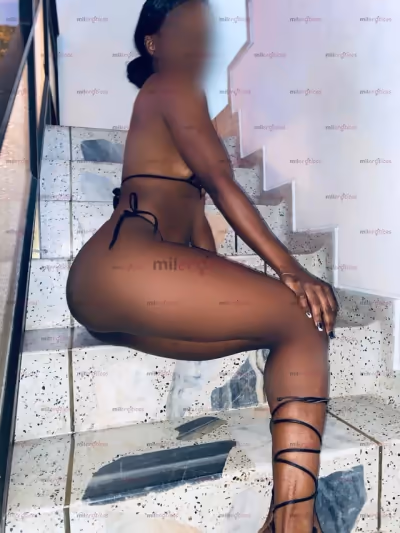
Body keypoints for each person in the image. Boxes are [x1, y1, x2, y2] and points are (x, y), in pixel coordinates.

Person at [66, 1, 338, 531]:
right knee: (304, 313)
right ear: (153, 43)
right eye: (185, 31)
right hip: (121, 269)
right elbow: (220, 179)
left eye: (205, 33)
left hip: (112, 298)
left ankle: (286, 521)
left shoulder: (170, 111)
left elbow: (201, 252)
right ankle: (295, 522)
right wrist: (292, 269)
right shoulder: (173, 84)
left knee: (291, 327)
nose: (199, 44)